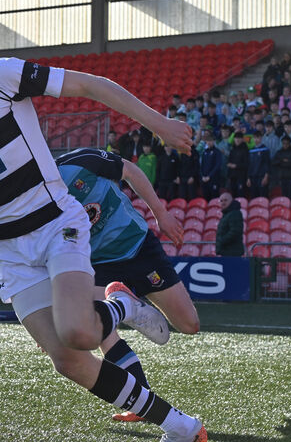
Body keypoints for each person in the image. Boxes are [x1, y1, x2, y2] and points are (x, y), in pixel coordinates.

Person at [0, 8, 204, 442]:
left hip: (55, 224)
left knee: (78, 331)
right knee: (69, 360)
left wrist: (158, 123)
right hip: (6, 250)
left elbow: (90, 85)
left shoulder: (0, 76)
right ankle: (180, 428)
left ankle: (122, 304)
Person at [55, 148, 200, 419]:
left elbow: (130, 171)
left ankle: (130, 305)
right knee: (96, 328)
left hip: (139, 247)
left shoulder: (80, 162)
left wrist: (161, 214)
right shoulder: (36, 200)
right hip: (99, 265)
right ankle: (140, 400)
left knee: (189, 325)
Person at [215, 192, 244, 257]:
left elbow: (235, 231)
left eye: (225, 200)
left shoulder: (234, 213)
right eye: (221, 201)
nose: (223, 203)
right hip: (226, 252)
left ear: (231, 201)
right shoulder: (226, 214)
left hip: (232, 253)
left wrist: (222, 241)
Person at [273, 135, 291, 199]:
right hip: (282, 177)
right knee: (284, 195)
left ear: (290, 144)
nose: (285, 145)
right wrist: (283, 160)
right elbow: (274, 162)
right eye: (283, 143)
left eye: (287, 143)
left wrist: (280, 161)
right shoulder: (279, 152)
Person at [247, 131, 270, 198]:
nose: (256, 140)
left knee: (263, 198)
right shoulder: (251, 150)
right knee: (253, 198)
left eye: (258, 138)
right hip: (253, 178)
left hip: (261, 177)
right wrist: (248, 178)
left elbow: (267, 164)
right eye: (254, 138)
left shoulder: (265, 149)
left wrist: (266, 177)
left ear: (261, 138)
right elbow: (249, 165)